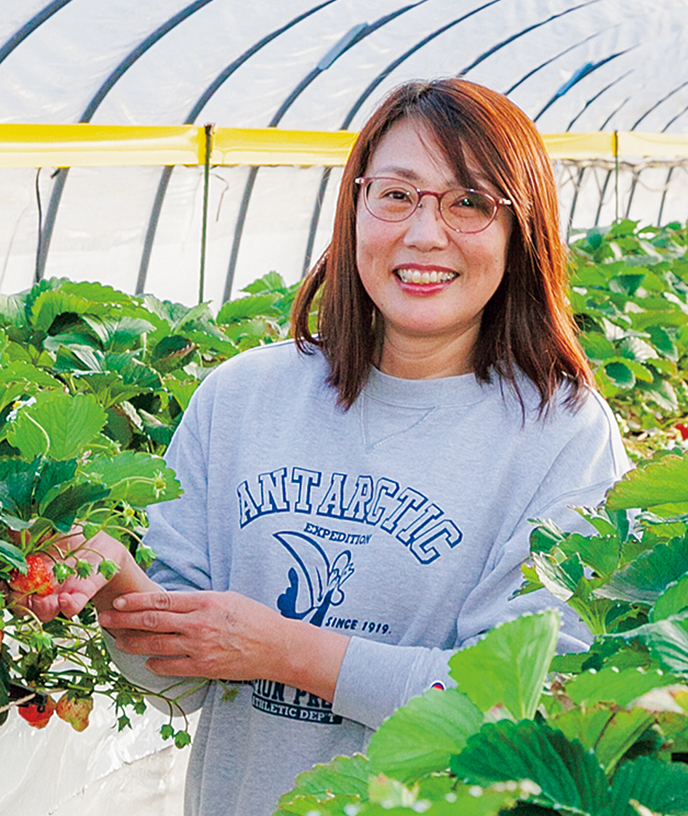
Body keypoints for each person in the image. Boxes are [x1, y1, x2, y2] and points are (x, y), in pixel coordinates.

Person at [17, 78, 630, 815]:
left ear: (519, 230)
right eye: (397, 195)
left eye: (469, 202)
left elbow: (525, 704)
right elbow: (173, 682)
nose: (425, 233)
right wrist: (118, 580)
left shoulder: (563, 433)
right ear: (355, 206)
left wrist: (285, 650)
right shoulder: (242, 398)